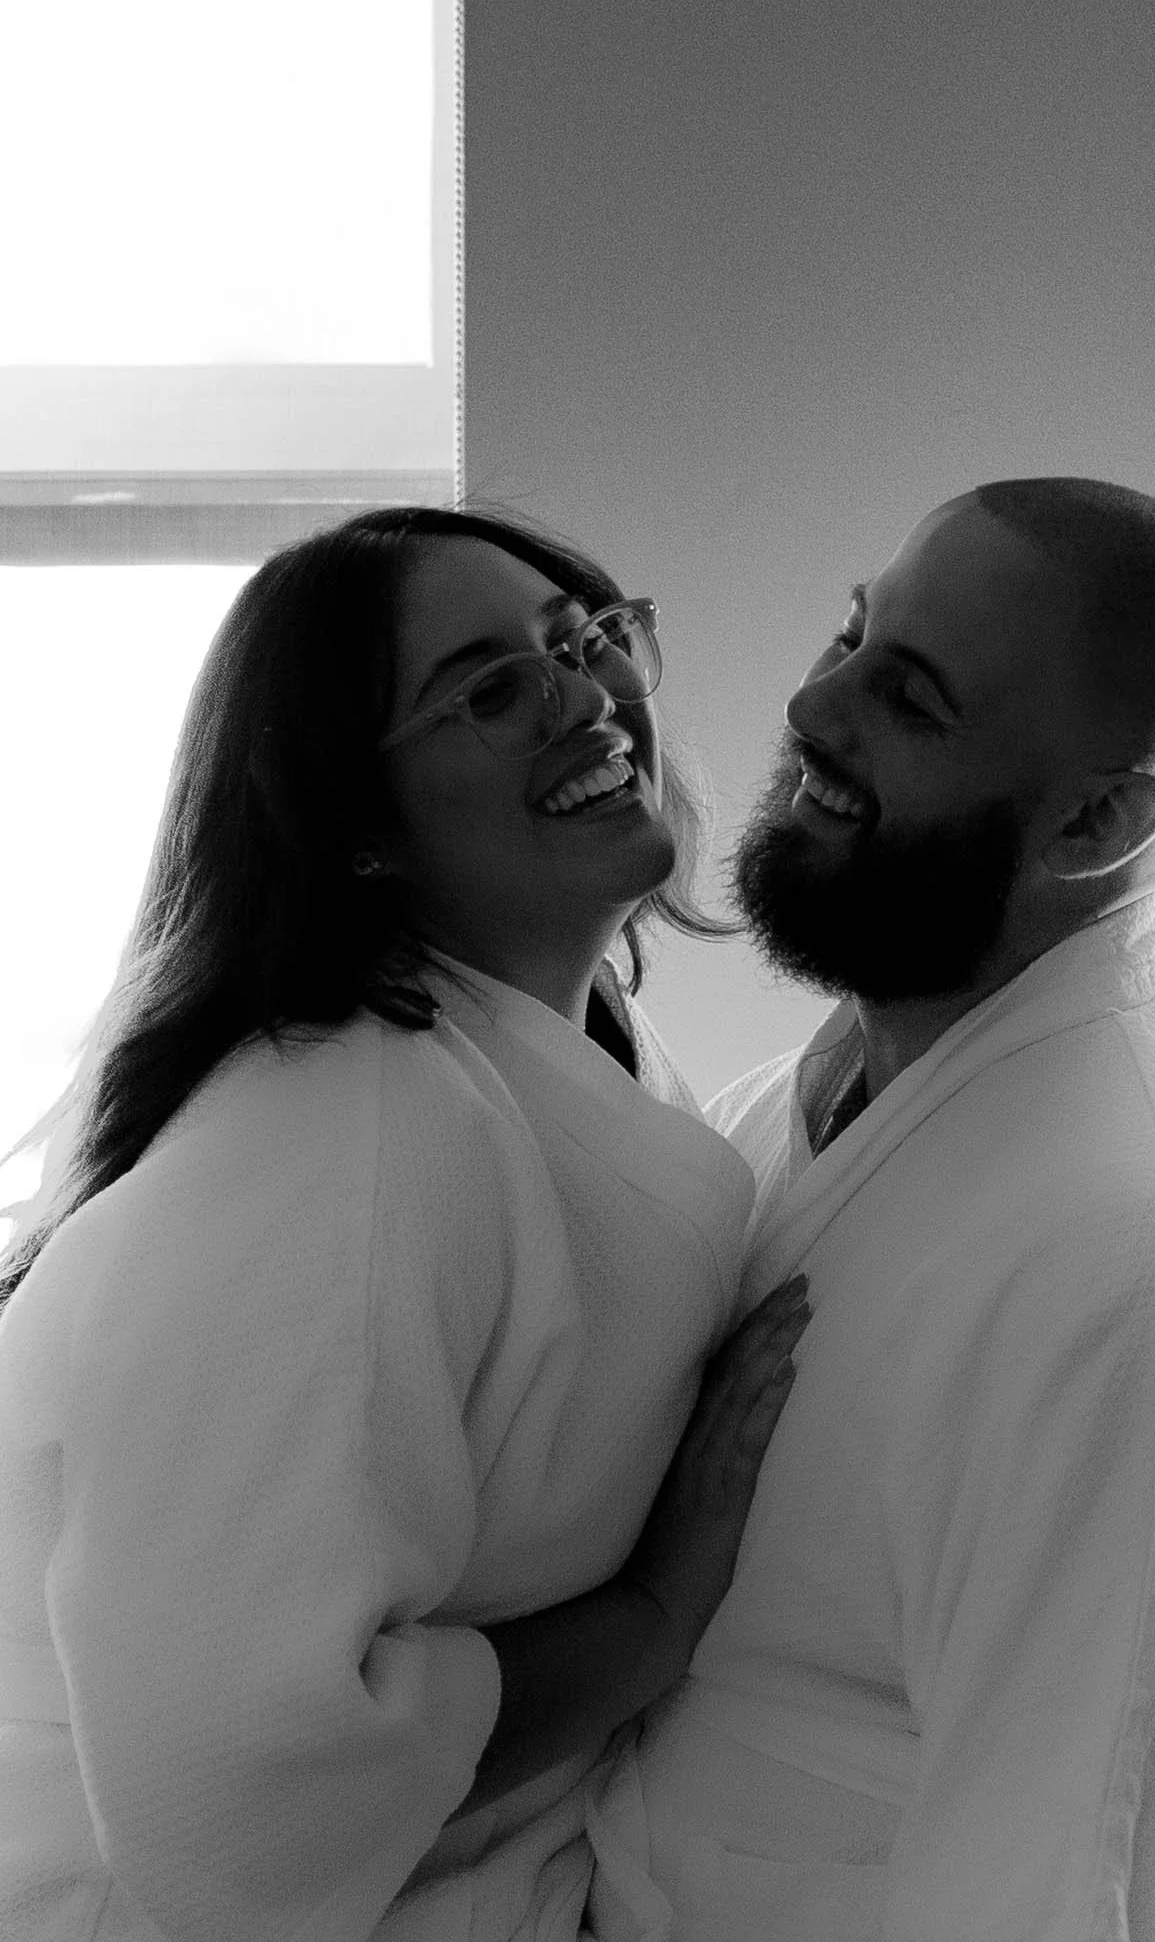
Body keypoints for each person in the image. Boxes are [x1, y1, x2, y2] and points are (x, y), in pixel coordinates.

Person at [0, 505, 811, 1941]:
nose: (583, 697)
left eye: (584, 637)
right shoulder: (340, 1134)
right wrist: (654, 1618)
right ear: (358, 830)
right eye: (491, 689)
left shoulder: (574, 1034)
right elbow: (234, 1802)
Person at [586, 476, 1155, 1942]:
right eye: (851, 630)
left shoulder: (1148, 1270)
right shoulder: (785, 1114)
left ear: (1100, 816)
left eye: (909, 696)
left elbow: (1099, 1895)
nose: (813, 706)